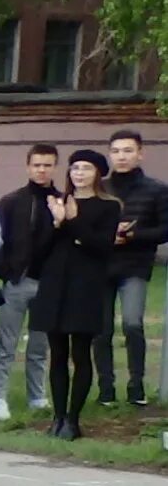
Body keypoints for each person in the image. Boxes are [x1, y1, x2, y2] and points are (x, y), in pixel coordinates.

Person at [32, 149, 120, 439]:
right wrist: (57, 223)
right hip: (55, 283)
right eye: (75, 168)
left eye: (86, 168)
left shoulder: (108, 206)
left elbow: (101, 246)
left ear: (98, 173)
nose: (79, 173)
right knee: (56, 353)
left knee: (80, 353)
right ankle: (57, 417)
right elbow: (42, 249)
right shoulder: (58, 202)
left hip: (85, 285)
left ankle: (73, 419)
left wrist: (73, 221)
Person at [0, 144, 57, 420]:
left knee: (40, 345)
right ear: (28, 167)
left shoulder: (61, 201)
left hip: (48, 284)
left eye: (47, 165)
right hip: (17, 282)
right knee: (7, 343)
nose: (42, 170)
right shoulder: (12, 201)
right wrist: (7, 272)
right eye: (37, 164)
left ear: (54, 167)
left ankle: (37, 396)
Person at [97, 130, 165, 406]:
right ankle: (106, 388)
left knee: (132, 324)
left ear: (140, 153)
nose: (121, 156)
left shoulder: (156, 189)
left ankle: (136, 386)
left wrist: (133, 236)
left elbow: (164, 229)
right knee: (101, 330)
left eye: (127, 151)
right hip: (100, 265)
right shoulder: (99, 187)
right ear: (110, 154)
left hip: (135, 265)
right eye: (116, 151)